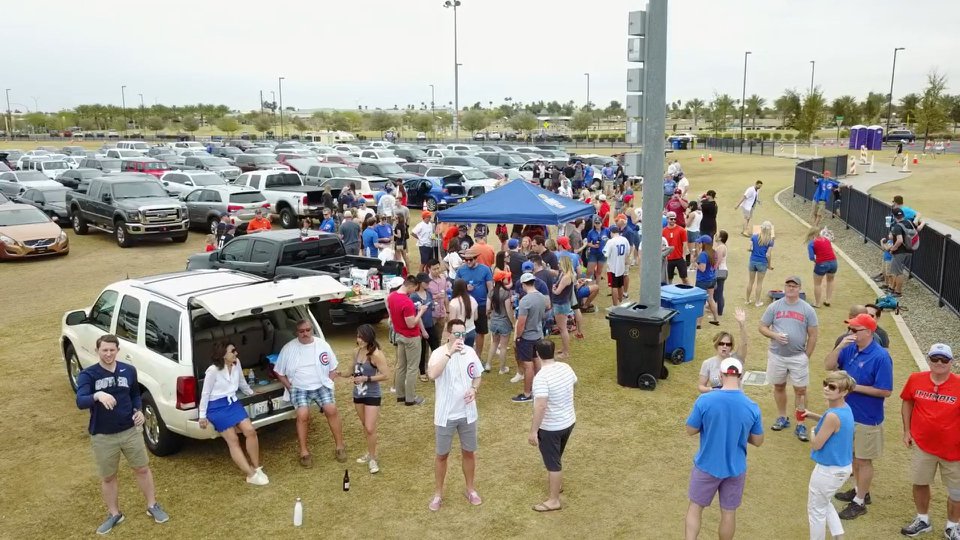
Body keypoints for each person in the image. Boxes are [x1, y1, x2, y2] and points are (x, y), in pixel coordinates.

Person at [76, 335, 169, 535]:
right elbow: (80, 401)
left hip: (130, 431)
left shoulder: (129, 371)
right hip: (102, 435)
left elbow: (135, 394)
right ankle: (114, 514)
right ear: (97, 351)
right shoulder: (89, 375)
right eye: (104, 350)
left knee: (142, 469)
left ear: (117, 350)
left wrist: (138, 411)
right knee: (108, 477)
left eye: (112, 350)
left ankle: (152, 505)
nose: (108, 354)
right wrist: (98, 395)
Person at [684, 357, 764, 540]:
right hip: (736, 470)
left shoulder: (705, 400)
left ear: (720, 375)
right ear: (741, 376)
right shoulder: (752, 407)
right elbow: (758, 441)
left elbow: (690, 429)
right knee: (728, 513)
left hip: (706, 466)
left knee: (695, 508)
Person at [824, 312, 893, 520]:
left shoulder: (880, 356)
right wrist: (839, 347)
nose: (850, 333)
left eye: (855, 330)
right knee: (854, 456)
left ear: (869, 332)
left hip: (867, 417)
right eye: (850, 329)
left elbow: (885, 390)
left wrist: (853, 386)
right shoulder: (850, 349)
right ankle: (859, 490)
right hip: (848, 414)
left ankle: (860, 501)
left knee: (863, 460)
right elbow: (828, 365)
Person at [898, 344, 960, 538]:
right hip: (923, 445)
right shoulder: (915, 379)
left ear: (951, 362)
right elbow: (907, 401)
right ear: (929, 359)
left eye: (943, 359)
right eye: (935, 359)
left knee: (957, 490)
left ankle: (952, 526)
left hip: (955, 449)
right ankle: (923, 520)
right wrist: (907, 430)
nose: (939, 363)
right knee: (920, 481)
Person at [426, 319, 484, 512]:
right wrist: (449, 352)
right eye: (457, 334)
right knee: (442, 455)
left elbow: (477, 374)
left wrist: (474, 389)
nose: (461, 337)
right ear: (448, 334)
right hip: (446, 415)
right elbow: (432, 374)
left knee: (469, 452)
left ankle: (470, 489)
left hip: (468, 414)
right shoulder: (438, 353)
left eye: (463, 334)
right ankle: (438, 494)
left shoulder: (470, 352)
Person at [275, 319, 347, 467]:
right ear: (296, 333)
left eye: (308, 330)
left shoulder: (322, 345)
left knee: (331, 409)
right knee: (302, 415)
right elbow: (279, 372)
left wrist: (329, 381)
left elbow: (333, 367)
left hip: (321, 384)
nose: (305, 334)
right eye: (301, 331)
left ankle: (340, 446)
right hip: (299, 387)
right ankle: (304, 452)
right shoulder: (288, 348)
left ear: (312, 329)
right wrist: (290, 387)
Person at [760, 275, 819, 443]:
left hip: (797, 356)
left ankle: (801, 422)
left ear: (799, 288)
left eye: (794, 286)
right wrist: (774, 335)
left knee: (800, 390)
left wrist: (806, 355)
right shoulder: (774, 306)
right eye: (788, 285)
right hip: (777, 355)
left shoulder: (807, 309)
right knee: (779, 386)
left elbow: (813, 335)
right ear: (784, 287)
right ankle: (782, 417)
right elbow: (762, 327)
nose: (791, 288)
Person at [199, 341, 268, 485]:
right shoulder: (212, 371)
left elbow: (242, 382)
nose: (236, 353)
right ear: (223, 355)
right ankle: (250, 475)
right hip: (216, 407)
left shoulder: (237, 363)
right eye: (233, 351)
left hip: (233, 403)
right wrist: (202, 416)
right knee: (233, 440)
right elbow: (205, 394)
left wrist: (250, 392)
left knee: (250, 431)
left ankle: (256, 467)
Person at [804, 371, 857, 540]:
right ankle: (838, 536)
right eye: (826, 384)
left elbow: (817, 443)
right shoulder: (843, 409)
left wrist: (812, 431)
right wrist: (812, 415)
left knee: (816, 511)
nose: (827, 388)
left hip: (827, 471)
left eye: (832, 387)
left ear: (843, 392)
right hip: (841, 468)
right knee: (824, 503)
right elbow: (833, 423)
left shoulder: (833, 415)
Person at [528, 339, 577, 513]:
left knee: (552, 463)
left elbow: (540, 405)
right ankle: (557, 485)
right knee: (556, 456)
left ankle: (554, 500)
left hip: (552, 427)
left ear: (538, 354)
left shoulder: (541, 377)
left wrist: (534, 431)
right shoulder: (565, 368)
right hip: (568, 422)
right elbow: (573, 382)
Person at [349, 324, 392, 474]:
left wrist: (366, 378)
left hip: (372, 394)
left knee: (370, 427)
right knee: (365, 426)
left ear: (369, 337)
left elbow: (386, 375)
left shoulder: (376, 354)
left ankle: (373, 458)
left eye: (362, 337)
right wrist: (338, 374)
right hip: (358, 395)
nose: (359, 339)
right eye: (358, 336)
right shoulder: (356, 352)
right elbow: (350, 371)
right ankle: (370, 452)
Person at [387, 275, 429, 407]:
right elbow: (411, 324)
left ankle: (400, 395)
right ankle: (410, 398)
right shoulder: (406, 302)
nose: (413, 291)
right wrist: (421, 312)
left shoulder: (391, 297)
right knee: (412, 368)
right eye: (414, 289)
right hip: (411, 337)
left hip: (399, 335)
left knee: (401, 366)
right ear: (410, 286)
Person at [513, 272, 548, 403]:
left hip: (527, 337)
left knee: (528, 366)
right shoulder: (541, 297)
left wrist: (518, 337)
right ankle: (539, 389)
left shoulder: (525, 301)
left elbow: (521, 323)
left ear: (523, 285)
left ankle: (527, 393)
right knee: (536, 360)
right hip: (538, 334)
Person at [697, 308, 748, 393]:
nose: (724, 346)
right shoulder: (708, 363)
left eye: (728, 344)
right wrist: (712, 389)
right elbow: (701, 386)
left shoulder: (737, 359)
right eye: (721, 343)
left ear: (731, 346)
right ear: (716, 345)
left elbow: (744, 343)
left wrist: (742, 324)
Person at [456, 249, 494, 359]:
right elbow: (456, 287)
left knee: (480, 331)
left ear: (476, 258)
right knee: (464, 331)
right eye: (465, 260)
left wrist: (489, 304)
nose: (468, 262)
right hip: (466, 305)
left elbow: (490, 288)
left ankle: (477, 356)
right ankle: (464, 355)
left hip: (481, 305)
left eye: (470, 260)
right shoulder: (461, 270)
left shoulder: (485, 269)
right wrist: (465, 287)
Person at [487, 269, 516, 375]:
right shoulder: (506, 293)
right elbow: (508, 310)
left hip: (494, 321)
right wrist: (512, 322)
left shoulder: (491, 292)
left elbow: (487, 308)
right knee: (503, 346)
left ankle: (488, 365)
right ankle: (502, 368)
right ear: (502, 280)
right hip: (504, 322)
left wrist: (489, 315)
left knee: (494, 343)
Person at [410, 272, 437, 382]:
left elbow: (431, 305)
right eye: (426, 282)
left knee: (435, 348)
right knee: (422, 350)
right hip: (420, 327)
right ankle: (422, 371)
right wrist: (423, 330)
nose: (428, 284)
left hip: (430, 324)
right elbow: (416, 314)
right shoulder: (414, 296)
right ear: (420, 283)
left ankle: (434, 369)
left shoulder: (428, 293)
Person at [806, 227, 838, 308]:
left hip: (822, 263)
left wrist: (816, 262)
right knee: (830, 281)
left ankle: (817, 303)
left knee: (817, 284)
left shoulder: (811, 243)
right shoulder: (826, 240)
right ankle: (828, 300)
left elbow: (811, 257)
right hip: (833, 262)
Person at [551, 257, 576, 359]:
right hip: (562, 303)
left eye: (560, 263)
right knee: (562, 328)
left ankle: (566, 352)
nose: (558, 265)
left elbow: (557, 291)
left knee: (563, 328)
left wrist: (553, 289)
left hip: (561, 304)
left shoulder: (566, 277)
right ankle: (564, 348)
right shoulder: (566, 274)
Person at [889, 208, 917, 298]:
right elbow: (918, 228)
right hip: (909, 250)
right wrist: (924, 222)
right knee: (899, 270)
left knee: (898, 272)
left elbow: (899, 240)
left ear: (894, 216)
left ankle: (898, 292)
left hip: (900, 252)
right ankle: (893, 289)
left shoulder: (897, 226)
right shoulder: (909, 222)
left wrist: (893, 248)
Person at [745, 221, 774, 307]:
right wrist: (769, 265)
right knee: (759, 283)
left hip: (753, 261)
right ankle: (757, 302)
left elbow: (750, 248)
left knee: (750, 281)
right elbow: (768, 255)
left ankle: (747, 300)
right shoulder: (770, 241)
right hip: (762, 262)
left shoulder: (754, 237)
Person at [695, 235, 721, 328]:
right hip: (712, 279)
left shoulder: (703, 254)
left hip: (702, 281)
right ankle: (716, 319)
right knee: (711, 298)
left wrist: (695, 263)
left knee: (701, 301)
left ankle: (698, 323)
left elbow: (702, 268)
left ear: (704, 243)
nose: (699, 244)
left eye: (700, 242)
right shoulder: (714, 253)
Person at [602, 226, 630, 306]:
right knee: (620, 285)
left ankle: (615, 305)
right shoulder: (624, 240)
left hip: (612, 267)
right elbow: (627, 252)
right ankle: (620, 302)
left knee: (614, 286)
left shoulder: (611, 241)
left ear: (611, 232)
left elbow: (605, 253)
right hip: (621, 265)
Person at [448, 278, 479, 346]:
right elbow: (476, 317)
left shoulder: (453, 302)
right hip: (471, 330)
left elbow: (452, 322)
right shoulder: (473, 299)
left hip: (458, 333)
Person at [663, 211, 689, 285]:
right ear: (667, 219)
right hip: (668, 259)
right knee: (668, 279)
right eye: (671, 219)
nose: (673, 220)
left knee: (684, 278)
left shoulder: (681, 230)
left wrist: (683, 256)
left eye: (675, 219)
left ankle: (688, 292)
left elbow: (685, 244)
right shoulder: (663, 231)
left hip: (679, 258)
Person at [585, 216, 609, 284]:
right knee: (589, 272)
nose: (597, 224)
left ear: (601, 223)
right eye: (596, 223)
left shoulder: (606, 230)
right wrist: (593, 245)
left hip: (603, 254)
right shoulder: (591, 232)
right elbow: (587, 243)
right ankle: (588, 286)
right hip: (593, 253)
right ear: (594, 224)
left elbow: (611, 239)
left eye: (599, 223)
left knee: (599, 272)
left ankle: (596, 286)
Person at [714, 230, 729, 317]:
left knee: (719, 292)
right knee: (717, 291)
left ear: (720, 238)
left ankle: (719, 311)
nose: (715, 235)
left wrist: (713, 270)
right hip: (722, 271)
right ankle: (717, 309)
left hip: (720, 271)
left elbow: (718, 261)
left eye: (717, 235)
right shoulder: (721, 246)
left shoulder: (721, 248)